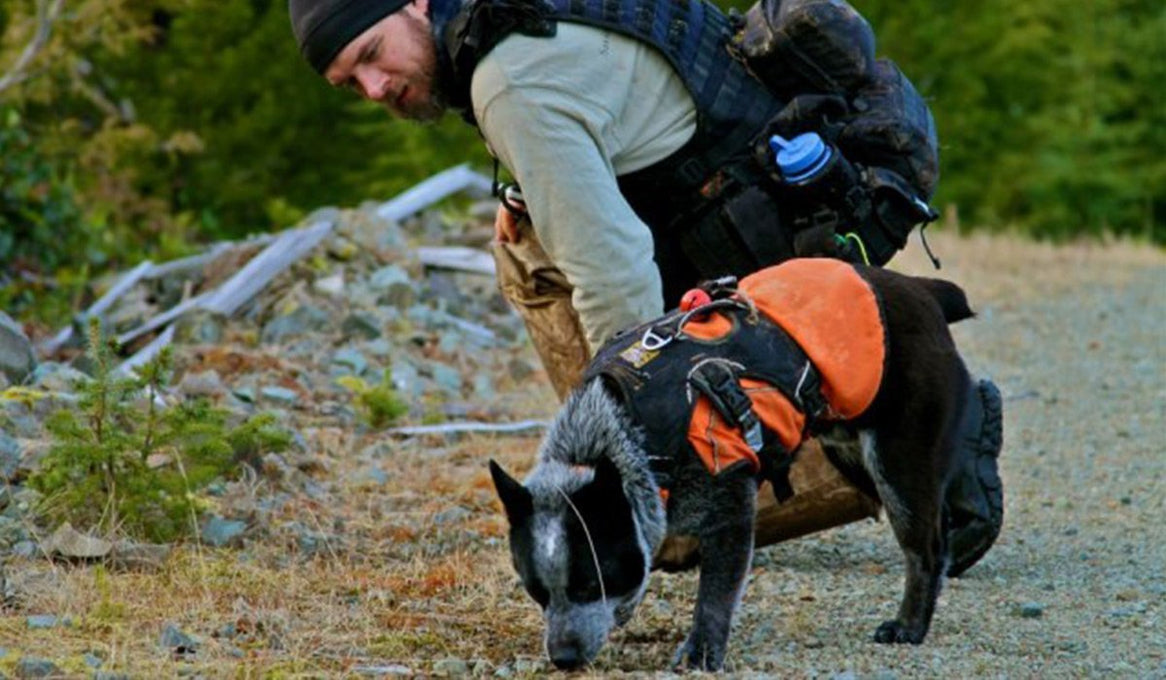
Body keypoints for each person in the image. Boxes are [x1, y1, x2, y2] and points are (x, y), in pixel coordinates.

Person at [288, 0, 1004, 576]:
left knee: (669, 534)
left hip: (770, 245)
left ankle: (924, 441)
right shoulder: (510, 19)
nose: (376, 88)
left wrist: (634, 452)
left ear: (415, 5)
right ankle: (880, 394)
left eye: (372, 55)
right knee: (528, 242)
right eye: (352, 83)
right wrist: (529, 195)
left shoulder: (508, 82)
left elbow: (615, 271)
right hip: (767, 198)